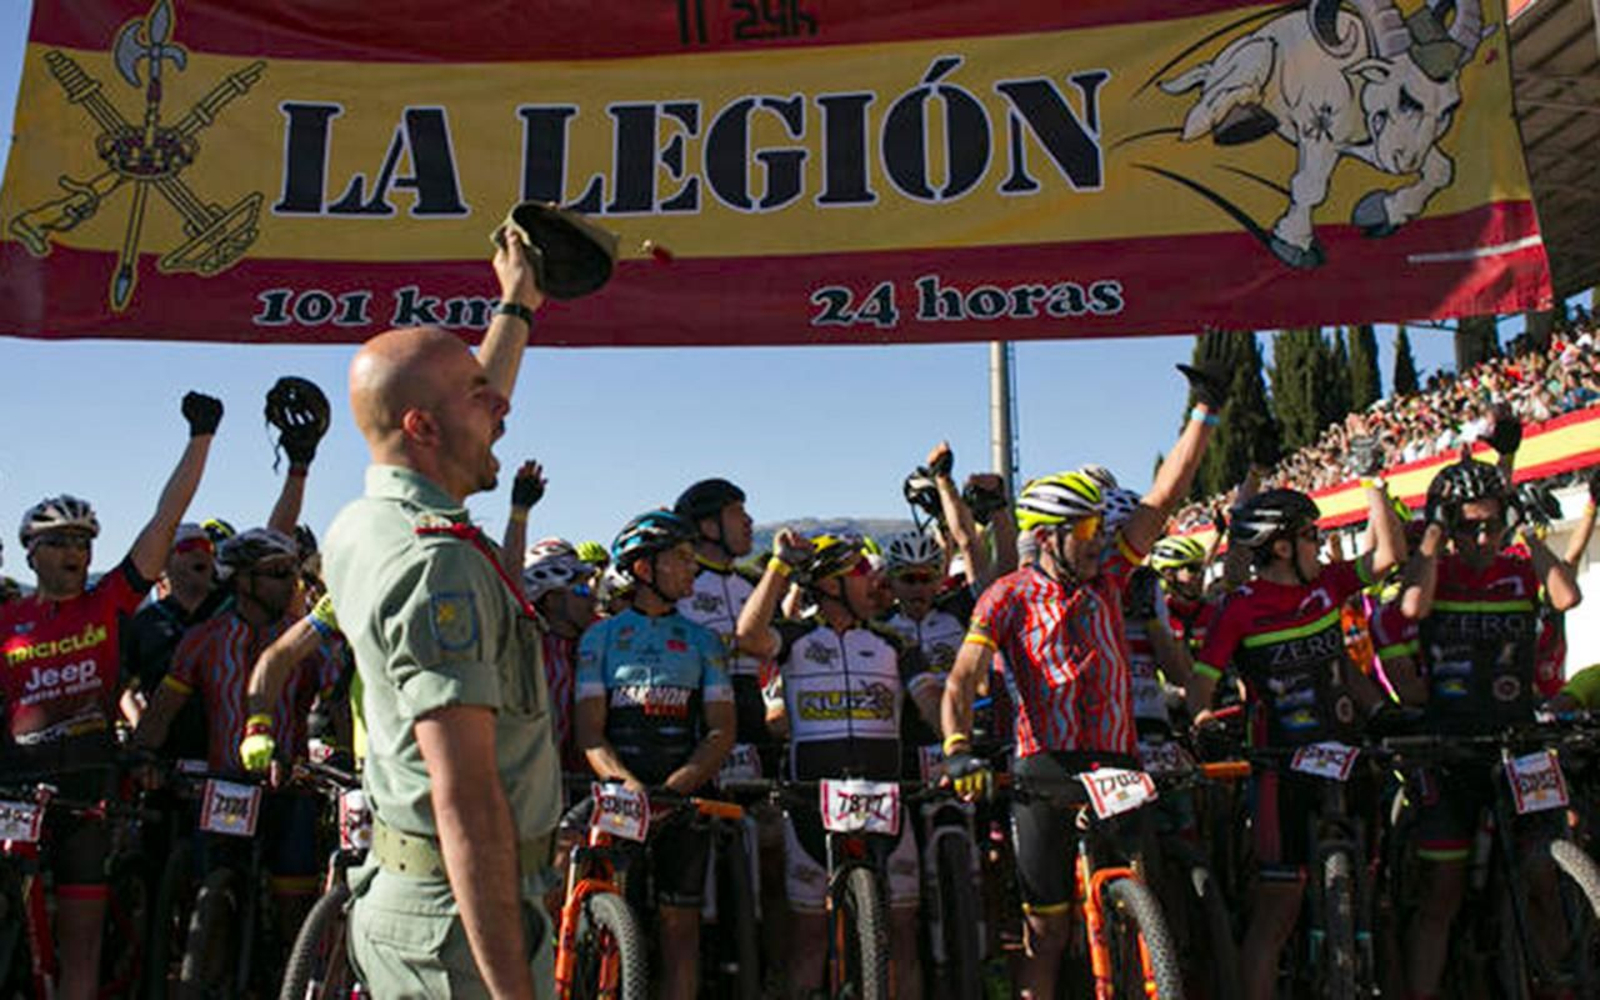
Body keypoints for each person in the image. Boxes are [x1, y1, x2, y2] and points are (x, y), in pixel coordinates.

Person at [940, 347, 1225, 999]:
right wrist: (958, 750)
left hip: (1116, 760)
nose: (1102, 537)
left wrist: (1205, 412)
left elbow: (1165, 496)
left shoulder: (1111, 580)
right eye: (1088, 527)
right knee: (1049, 932)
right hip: (1043, 769)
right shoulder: (1005, 596)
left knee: (1142, 905)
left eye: (1101, 525)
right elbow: (962, 681)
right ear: (1047, 535)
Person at [322, 230, 562, 999]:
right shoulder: (439, 564)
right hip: (461, 930)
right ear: (423, 429)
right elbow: (466, 802)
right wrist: (510, 991)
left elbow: (453, 404)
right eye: (478, 395)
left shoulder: (366, 522)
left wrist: (516, 305)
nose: (502, 407)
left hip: (419, 905)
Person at [0, 390, 220, 1000]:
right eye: (61, 542)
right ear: (32, 553)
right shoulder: (8, 619)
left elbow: (163, 521)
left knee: (80, 944)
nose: (76, 552)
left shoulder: (108, 603)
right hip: (15, 782)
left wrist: (199, 440)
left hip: (85, 786)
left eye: (84, 542)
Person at [1186, 483, 1404, 1000]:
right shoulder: (1239, 608)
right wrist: (1201, 716)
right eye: (1312, 534)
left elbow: (1390, 555)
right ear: (1282, 546)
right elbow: (1201, 680)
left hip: (1346, 756)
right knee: (1276, 912)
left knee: (1376, 899)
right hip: (1280, 767)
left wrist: (1374, 484)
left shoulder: (1328, 584)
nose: (1319, 542)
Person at [1399, 458, 1581, 999]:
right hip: (1449, 747)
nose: (1483, 536)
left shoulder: (1520, 567)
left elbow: (1567, 597)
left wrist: (1524, 526)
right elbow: (1411, 604)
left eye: (1492, 523)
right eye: (1469, 526)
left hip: (1519, 741)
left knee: (1545, 877)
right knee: (1443, 894)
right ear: (1450, 528)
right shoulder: (1440, 570)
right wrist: (1433, 532)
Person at [736, 532, 926, 1000]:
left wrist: (958, 742)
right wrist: (781, 566)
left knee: (902, 933)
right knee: (809, 939)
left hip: (887, 799)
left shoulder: (893, 641)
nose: (876, 582)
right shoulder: (798, 639)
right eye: (862, 572)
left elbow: (932, 695)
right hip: (811, 805)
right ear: (832, 584)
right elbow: (748, 636)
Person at [134, 527, 340, 938]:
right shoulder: (203, 639)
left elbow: (338, 703)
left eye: (294, 572)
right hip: (225, 784)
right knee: (209, 903)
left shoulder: (306, 639)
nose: (293, 583)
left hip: (290, 787)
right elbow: (162, 711)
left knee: (293, 907)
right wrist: (142, 755)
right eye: (278, 573)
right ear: (242, 580)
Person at [575, 510, 735, 1000]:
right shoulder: (600, 638)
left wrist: (676, 787)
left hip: (681, 796)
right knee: (604, 920)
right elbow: (589, 731)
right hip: (622, 795)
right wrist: (627, 786)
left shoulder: (703, 640)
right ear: (645, 570)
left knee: (679, 930)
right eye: (682, 558)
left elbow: (721, 731)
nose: (694, 568)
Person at [523, 537, 598, 770]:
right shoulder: (525, 650)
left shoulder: (596, 642)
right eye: (582, 588)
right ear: (552, 598)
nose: (593, 596)